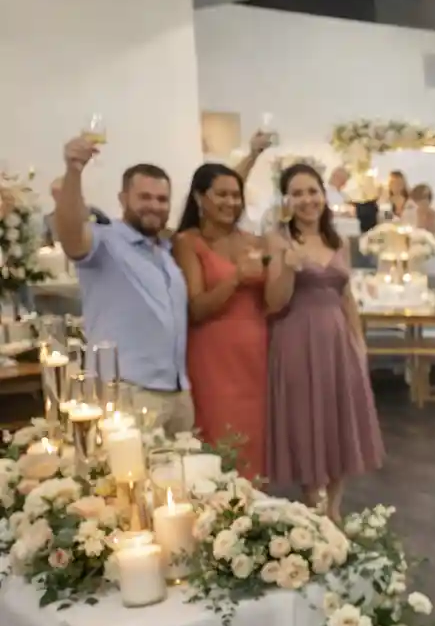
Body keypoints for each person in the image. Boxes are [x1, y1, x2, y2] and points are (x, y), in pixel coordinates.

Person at [265, 164, 384, 522]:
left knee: (338, 418)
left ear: (324, 195)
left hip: (337, 339)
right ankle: (312, 504)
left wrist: (359, 344)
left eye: (312, 191)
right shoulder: (277, 239)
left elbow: (347, 296)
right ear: (286, 199)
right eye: (298, 193)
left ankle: (333, 507)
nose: (307, 200)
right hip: (297, 338)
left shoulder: (338, 241)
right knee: (304, 418)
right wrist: (287, 264)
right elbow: (274, 301)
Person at [50, 136, 194, 434]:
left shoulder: (165, 252)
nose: (154, 206)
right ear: (123, 198)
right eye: (144, 197)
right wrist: (74, 170)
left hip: (177, 391)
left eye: (162, 199)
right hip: (127, 391)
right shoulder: (105, 241)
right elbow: (71, 233)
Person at [172, 163, 270, 479]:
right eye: (222, 195)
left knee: (257, 443)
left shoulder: (255, 242)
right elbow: (196, 308)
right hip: (213, 359)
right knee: (220, 442)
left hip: (257, 356)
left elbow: (271, 300)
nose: (231, 202)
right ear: (200, 198)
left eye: (236, 195)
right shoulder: (188, 242)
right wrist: (235, 278)